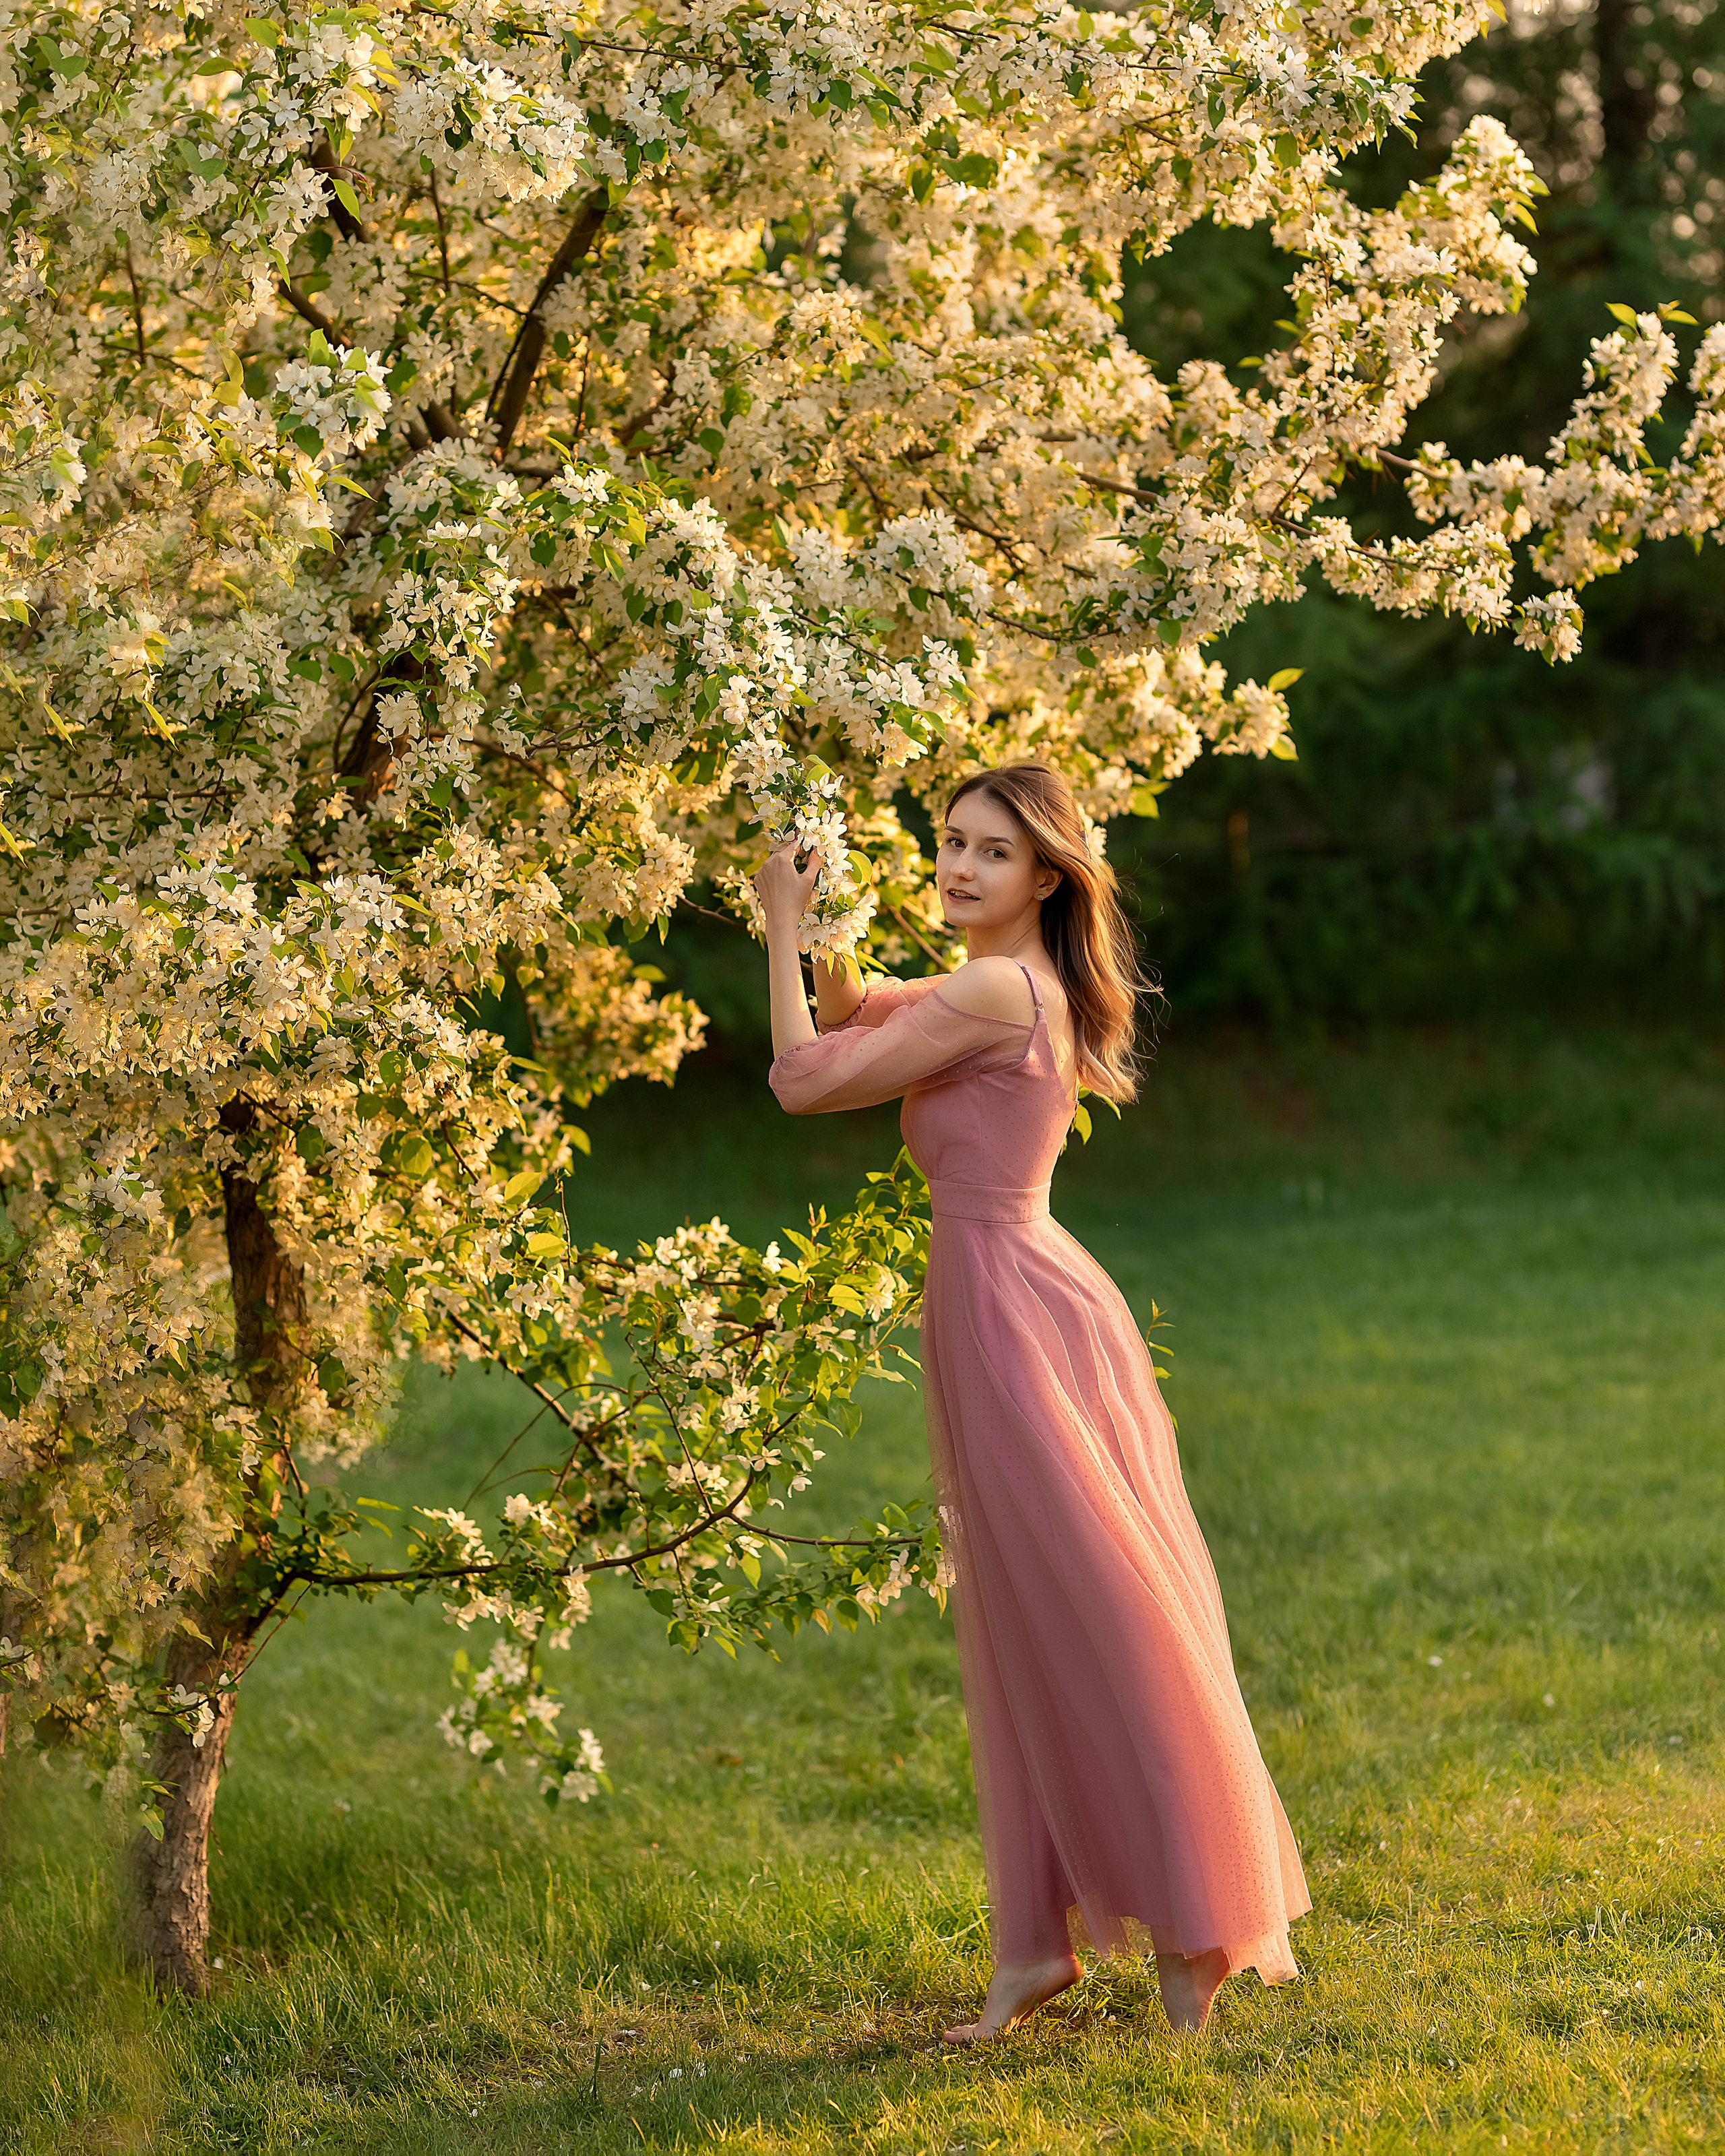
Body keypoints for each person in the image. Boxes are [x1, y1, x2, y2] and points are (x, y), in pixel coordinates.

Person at [757, 761, 1309, 2043]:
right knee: (1029, 1624)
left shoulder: (1002, 988)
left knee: (1102, 1611)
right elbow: (852, 1012)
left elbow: (803, 1079)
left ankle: (1196, 1924)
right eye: (948, 842)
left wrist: (780, 916)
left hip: (1013, 1308)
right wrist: (826, 891)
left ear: (1046, 876)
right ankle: (1037, 1947)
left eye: (990, 852)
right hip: (1014, 1298)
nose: (957, 866)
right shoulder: (990, 984)